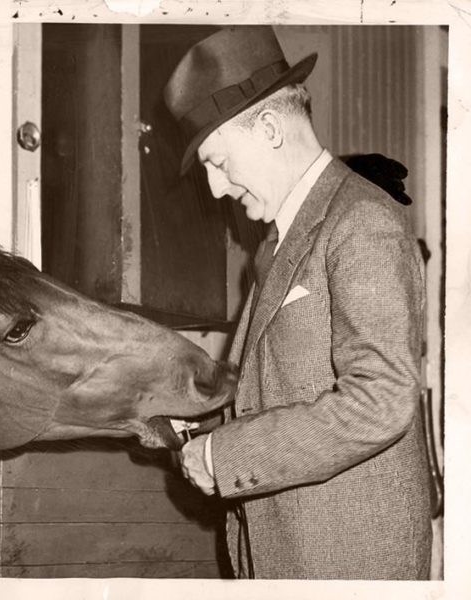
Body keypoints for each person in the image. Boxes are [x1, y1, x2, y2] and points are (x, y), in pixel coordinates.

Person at [164, 26, 432, 579]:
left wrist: (223, 457)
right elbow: (271, 390)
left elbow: (381, 399)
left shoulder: (362, 222)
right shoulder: (276, 246)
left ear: (269, 129)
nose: (216, 188)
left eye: (219, 162)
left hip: (349, 566)